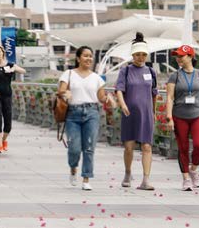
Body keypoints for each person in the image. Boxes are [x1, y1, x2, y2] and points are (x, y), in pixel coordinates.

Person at [57, 46, 115, 190]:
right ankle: (73, 168)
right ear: (78, 58)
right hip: (73, 114)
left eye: (90, 56)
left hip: (91, 113)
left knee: (89, 147)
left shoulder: (96, 78)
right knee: (74, 148)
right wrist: (65, 94)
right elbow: (60, 91)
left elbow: (101, 97)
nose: (89, 58)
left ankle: (86, 178)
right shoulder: (68, 73)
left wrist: (108, 98)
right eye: (85, 56)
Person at [115, 32, 161, 190]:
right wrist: (123, 104)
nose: (141, 57)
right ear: (133, 55)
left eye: (143, 55)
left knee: (147, 146)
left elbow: (154, 94)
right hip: (129, 114)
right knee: (129, 147)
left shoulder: (151, 72)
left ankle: (146, 180)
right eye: (138, 54)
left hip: (146, 114)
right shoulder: (125, 71)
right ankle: (128, 173)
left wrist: (153, 112)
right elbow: (119, 90)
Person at [166, 45, 199, 191]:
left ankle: (193, 169)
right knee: (183, 147)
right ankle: (185, 178)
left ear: (190, 56)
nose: (178, 59)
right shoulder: (175, 76)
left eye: (181, 56)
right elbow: (170, 97)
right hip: (179, 115)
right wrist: (169, 117)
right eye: (177, 56)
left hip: (197, 115)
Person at [0, 45, 27, 153]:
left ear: (3, 52)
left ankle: (4, 141)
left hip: (7, 96)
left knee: (8, 123)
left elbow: (23, 71)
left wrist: (13, 68)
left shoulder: (10, 65)